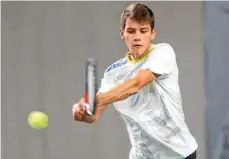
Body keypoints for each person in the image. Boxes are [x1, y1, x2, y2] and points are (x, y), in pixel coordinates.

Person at [72, 3, 198, 159]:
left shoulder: (164, 52)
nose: (137, 36)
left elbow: (136, 84)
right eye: (131, 31)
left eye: (143, 31)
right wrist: (83, 112)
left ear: (152, 34)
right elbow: (94, 115)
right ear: (122, 34)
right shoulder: (113, 74)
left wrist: (95, 100)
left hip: (179, 154)